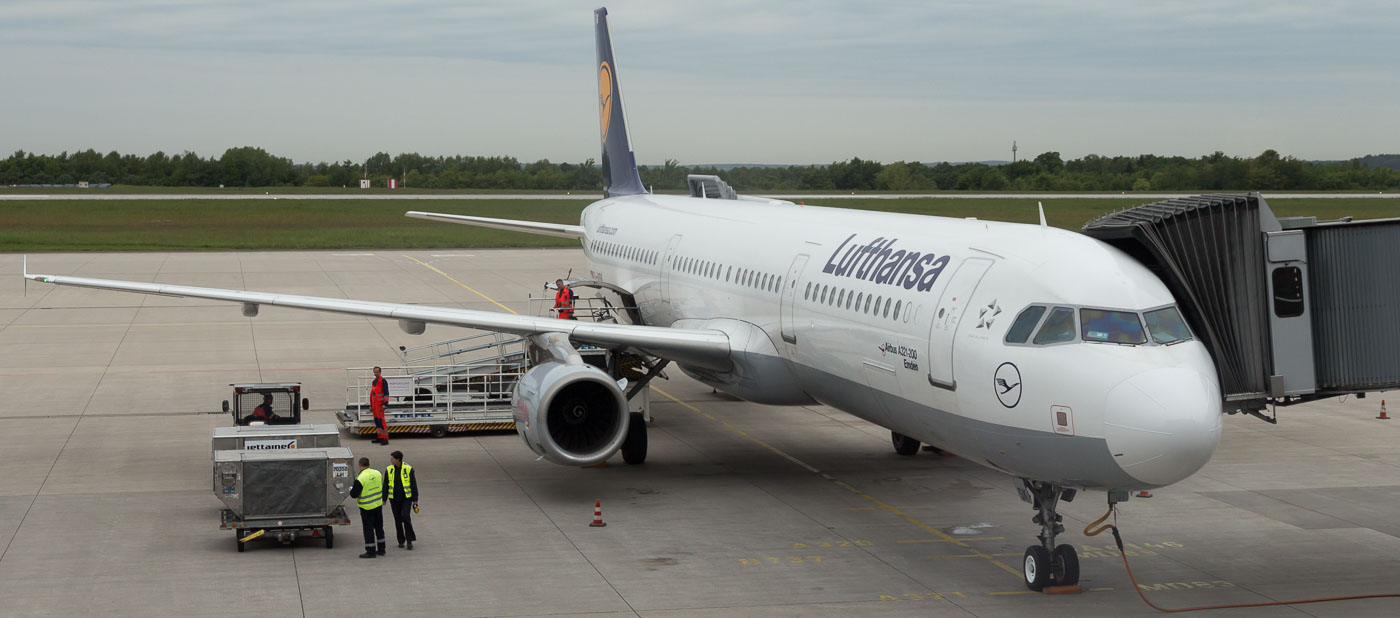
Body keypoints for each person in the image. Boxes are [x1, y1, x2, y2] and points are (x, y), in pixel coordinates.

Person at [351, 457, 387, 558]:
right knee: (379, 528)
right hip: (378, 505)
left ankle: (370, 551)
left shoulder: (360, 478)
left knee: (368, 529)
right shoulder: (377, 473)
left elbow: (354, 494)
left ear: (360, 466)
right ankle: (381, 549)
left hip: (366, 507)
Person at [385, 450, 419, 550]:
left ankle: (409, 540)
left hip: (406, 498)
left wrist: (415, 499)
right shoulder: (389, 469)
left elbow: (413, 484)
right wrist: (384, 498)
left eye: (392, 459)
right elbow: (385, 485)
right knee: (397, 520)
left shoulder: (408, 469)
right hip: (394, 499)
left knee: (406, 517)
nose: (391, 461)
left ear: (398, 460)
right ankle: (401, 540)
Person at [370, 366, 390, 445]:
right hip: (375, 405)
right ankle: (380, 437)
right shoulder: (374, 381)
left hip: (380, 404)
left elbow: (386, 393)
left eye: (377, 372)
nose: (376, 373)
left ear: (380, 372)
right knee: (377, 421)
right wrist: (371, 405)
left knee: (381, 421)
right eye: (375, 372)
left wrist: (385, 403)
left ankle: (385, 438)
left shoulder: (383, 381)